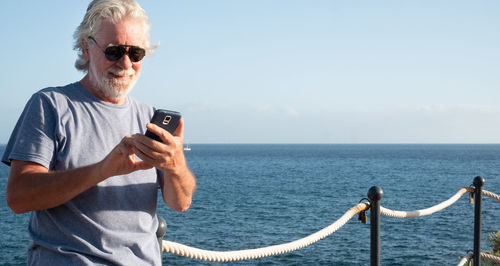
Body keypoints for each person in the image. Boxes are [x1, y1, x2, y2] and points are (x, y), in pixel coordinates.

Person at [1, 0, 196, 265]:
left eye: (136, 53)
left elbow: (180, 203)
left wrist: (175, 165)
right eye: (114, 51)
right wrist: (102, 169)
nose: (125, 63)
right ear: (85, 48)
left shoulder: (149, 118)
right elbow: (19, 197)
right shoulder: (51, 105)